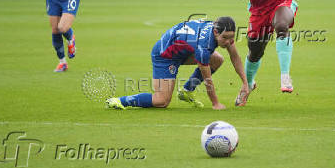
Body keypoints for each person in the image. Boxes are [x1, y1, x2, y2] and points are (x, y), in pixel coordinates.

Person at [106, 17, 249, 110]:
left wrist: (245, 83)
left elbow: (235, 57)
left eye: (231, 38)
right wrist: (215, 103)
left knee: (217, 59)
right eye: (225, 38)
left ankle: (186, 91)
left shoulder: (222, 31)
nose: (228, 42)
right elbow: (207, 79)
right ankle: (120, 101)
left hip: (183, 49)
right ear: (216, 32)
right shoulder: (203, 47)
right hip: (165, 55)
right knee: (161, 101)